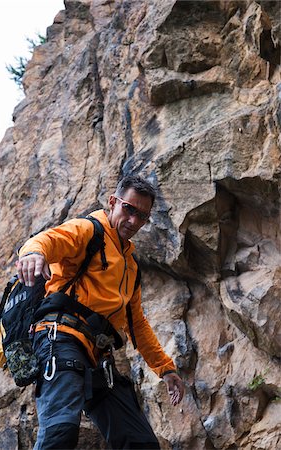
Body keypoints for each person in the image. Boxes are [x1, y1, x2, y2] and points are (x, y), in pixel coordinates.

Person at [17, 175, 184, 450]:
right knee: (59, 432)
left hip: (97, 358)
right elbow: (50, 240)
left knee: (140, 443)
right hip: (60, 340)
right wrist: (34, 253)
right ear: (112, 203)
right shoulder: (88, 230)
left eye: (141, 216)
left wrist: (165, 369)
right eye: (128, 209)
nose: (133, 221)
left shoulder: (130, 268)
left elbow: (137, 325)